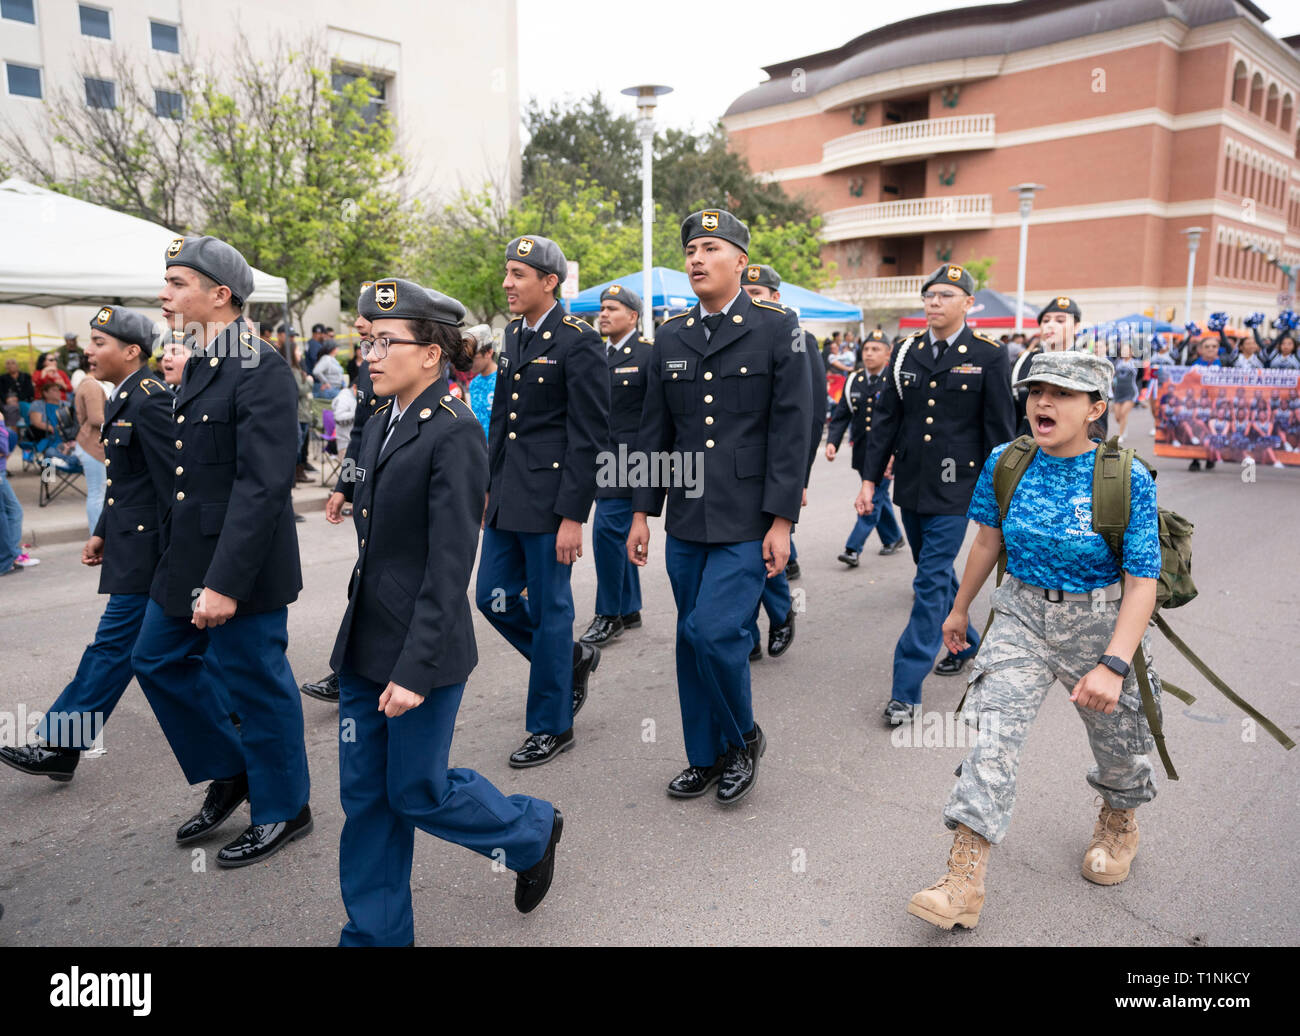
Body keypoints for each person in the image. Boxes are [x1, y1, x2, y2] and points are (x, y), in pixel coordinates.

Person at [329, 277, 562, 945]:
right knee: (367, 801)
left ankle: (529, 829)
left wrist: (415, 668)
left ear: (431, 353)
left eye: (383, 342)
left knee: (417, 792)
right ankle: (376, 938)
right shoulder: (380, 419)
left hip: (420, 652)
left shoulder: (454, 433)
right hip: (364, 643)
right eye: (364, 341)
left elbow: (448, 564)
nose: (368, 354)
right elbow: (367, 488)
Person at [908, 351, 1163, 931]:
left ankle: (1120, 819)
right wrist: (959, 608)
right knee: (992, 739)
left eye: (1063, 394)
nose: (1043, 402)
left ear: (1096, 408)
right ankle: (963, 878)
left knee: (1120, 744)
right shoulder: (1007, 460)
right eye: (1036, 391)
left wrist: (1115, 664)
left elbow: (1142, 582)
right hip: (1021, 614)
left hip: (1099, 623)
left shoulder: (1126, 478)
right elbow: (985, 542)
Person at [129, 234, 312, 866]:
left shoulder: (261, 367)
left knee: (257, 682)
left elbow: (261, 486)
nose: (164, 293)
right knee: (155, 658)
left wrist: (226, 582)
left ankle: (286, 807)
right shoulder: (202, 361)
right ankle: (233, 769)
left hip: (242, 563)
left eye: (177, 283)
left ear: (220, 293)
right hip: (188, 555)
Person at [628, 209, 811, 805]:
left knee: (714, 633)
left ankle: (743, 739)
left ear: (739, 259)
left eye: (710, 248)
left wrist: (783, 521)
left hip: (748, 515)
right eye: (690, 251)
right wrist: (639, 513)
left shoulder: (776, 328)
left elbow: (791, 427)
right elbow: (654, 431)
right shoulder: (672, 335)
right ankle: (703, 756)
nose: (697, 259)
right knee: (689, 638)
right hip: (686, 513)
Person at [0, 306, 214, 781]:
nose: (90, 351)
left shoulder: (151, 400)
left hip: (153, 554)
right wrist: (101, 531)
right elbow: (127, 483)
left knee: (119, 647)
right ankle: (67, 744)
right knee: (137, 650)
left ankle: (63, 743)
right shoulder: (126, 397)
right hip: (133, 546)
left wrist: (177, 562)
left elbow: (173, 489)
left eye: (100, 343)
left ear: (131, 351)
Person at [857, 263, 1016, 726]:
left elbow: (999, 430)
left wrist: (999, 494)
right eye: (929, 295)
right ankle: (968, 645)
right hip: (911, 483)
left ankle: (905, 689)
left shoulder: (988, 354)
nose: (934, 302)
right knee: (935, 573)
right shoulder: (905, 350)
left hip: (958, 488)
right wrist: (870, 480)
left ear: (968, 303)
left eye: (946, 295)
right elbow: (886, 417)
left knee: (928, 582)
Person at [475, 236, 608, 768]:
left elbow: (589, 433)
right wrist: (487, 485)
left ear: (549, 282)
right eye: (506, 273)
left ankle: (552, 725)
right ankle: (571, 660)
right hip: (508, 495)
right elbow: (503, 419)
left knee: (552, 611)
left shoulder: (579, 340)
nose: (507, 283)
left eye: (518, 274)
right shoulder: (513, 333)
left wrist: (574, 515)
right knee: (492, 597)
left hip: (552, 502)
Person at [308, 284, 391, 707]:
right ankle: (352, 672)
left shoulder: (406, 359)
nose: (357, 322)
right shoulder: (364, 365)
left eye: (367, 313)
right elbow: (359, 433)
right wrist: (343, 486)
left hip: (395, 488)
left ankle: (353, 673)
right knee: (362, 582)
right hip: (367, 488)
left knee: (372, 585)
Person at [738, 263, 825, 661]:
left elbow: (809, 416)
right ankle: (747, 631)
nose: (753, 299)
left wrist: (799, 479)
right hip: (738, 470)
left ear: (776, 297)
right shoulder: (732, 335)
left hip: (778, 468)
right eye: (747, 292)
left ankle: (778, 614)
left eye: (760, 293)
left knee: (764, 551)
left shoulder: (798, 340)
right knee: (744, 554)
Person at [580, 284, 652, 648]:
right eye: (602, 308)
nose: (603, 314)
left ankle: (609, 615)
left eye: (612, 308)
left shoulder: (647, 354)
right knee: (617, 534)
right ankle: (630, 607)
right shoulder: (596, 354)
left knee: (606, 533)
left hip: (632, 462)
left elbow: (657, 417)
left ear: (633, 316)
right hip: (598, 459)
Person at [826, 329, 905, 566]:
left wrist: (895, 452)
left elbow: (903, 420)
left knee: (872, 498)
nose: (869, 354)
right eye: (867, 348)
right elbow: (841, 415)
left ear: (888, 353)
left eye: (876, 349)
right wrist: (832, 441)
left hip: (887, 455)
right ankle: (893, 537)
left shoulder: (895, 380)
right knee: (878, 496)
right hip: (862, 452)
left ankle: (853, 548)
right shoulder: (854, 380)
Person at [1010, 296, 1080, 437]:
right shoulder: (1025, 360)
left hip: (1074, 447)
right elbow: (1013, 412)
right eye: (1046, 320)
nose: (1050, 325)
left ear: (1076, 326)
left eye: (1060, 320)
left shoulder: (1087, 363)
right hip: (1028, 445)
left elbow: (1098, 426)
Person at [71, 354, 110, 534]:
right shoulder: (91, 385)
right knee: (97, 494)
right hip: (92, 445)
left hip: (90, 444)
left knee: (98, 493)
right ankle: (97, 534)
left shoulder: (89, 384)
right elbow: (96, 418)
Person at [0, 405, 27, 577]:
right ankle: (10, 557)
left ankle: (12, 554)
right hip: (44, 451)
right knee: (10, 512)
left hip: (50, 452)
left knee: (13, 511)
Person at [465, 324, 498, 439]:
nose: (470, 362)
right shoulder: (474, 384)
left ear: (489, 352)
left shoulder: (503, 381)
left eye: (474, 357)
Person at [290, 340, 314, 485]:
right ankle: (297, 473)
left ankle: (300, 472)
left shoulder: (298, 369)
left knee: (302, 443)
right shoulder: (293, 370)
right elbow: (299, 390)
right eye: (298, 351)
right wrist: (309, 381)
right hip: (299, 412)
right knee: (298, 444)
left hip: (304, 412)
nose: (300, 354)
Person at [1110, 342, 1139, 443]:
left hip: (1130, 392)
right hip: (1118, 392)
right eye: (1123, 350)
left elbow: (1141, 376)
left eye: (1126, 350)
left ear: (1131, 351)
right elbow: (1112, 375)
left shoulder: (1135, 363)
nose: (1124, 352)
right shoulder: (1117, 362)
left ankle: (1120, 435)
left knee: (1123, 414)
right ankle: (1124, 425)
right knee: (1117, 417)